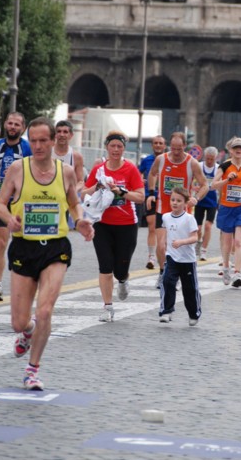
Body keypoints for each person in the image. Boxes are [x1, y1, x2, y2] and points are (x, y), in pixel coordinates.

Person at [0, 117, 94, 390]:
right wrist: (9, 219)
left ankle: (32, 370)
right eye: (33, 141)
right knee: (18, 322)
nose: (37, 146)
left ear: (53, 141)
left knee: (46, 310)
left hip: (55, 247)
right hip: (24, 247)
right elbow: (0, 204)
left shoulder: (66, 173)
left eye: (42, 141)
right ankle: (27, 331)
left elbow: (74, 203)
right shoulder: (17, 169)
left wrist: (80, 219)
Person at [82, 130, 145, 321]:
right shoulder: (99, 170)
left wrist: (122, 192)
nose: (115, 150)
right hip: (102, 224)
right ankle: (107, 307)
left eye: (119, 146)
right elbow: (84, 191)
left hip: (126, 225)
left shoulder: (131, 169)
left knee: (119, 269)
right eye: (112, 146)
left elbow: (140, 197)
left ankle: (124, 280)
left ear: (124, 149)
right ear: (107, 147)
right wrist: (98, 186)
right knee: (105, 266)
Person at [146, 131, 208, 289]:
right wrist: (152, 193)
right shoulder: (161, 159)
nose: (175, 151)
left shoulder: (191, 163)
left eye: (179, 149)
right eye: (173, 148)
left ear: (185, 147)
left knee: (178, 245)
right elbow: (152, 174)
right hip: (163, 209)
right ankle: (162, 273)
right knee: (162, 245)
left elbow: (205, 184)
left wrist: (196, 198)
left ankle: (177, 275)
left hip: (182, 214)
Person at [0, 112, 32, 301]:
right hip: (0, 201)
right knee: (0, 241)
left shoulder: (27, 148)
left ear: (23, 128)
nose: (12, 127)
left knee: (24, 243)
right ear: (5, 125)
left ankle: (26, 283)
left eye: (17, 124)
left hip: (22, 202)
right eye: (10, 123)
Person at [211, 137, 241, 288]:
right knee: (227, 242)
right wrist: (227, 181)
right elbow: (213, 185)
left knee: (238, 241)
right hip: (226, 208)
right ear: (230, 150)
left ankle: (237, 273)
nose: (238, 150)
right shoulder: (224, 166)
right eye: (235, 147)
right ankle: (226, 267)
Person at [159, 187, 201, 326]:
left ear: (185, 203)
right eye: (173, 200)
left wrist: (182, 242)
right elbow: (166, 233)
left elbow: (195, 237)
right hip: (171, 256)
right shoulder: (165, 217)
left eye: (178, 201)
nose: (175, 203)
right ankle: (166, 311)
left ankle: (193, 313)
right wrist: (163, 245)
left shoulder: (189, 219)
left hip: (187, 259)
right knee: (167, 281)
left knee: (189, 288)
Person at [139, 135, 167, 269]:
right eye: (155, 143)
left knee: (163, 229)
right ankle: (151, 257)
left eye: (160, 143)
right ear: (152, 145)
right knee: (152, 227)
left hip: (166, 198)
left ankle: (164, 254)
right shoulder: (146, 160)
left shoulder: (169, 159)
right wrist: (140, 180)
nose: (158, 145)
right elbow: (138, 173)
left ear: (164, 146)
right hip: (151, 196)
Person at [194, 146, 219, 261]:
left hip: (212, 201)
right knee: (198, 227)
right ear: (205, 157)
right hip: (200, 200)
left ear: (215, 158)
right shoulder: (199, 166)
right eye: (208, 158)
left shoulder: (218, 169)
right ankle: (199, 241)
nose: (209, 161)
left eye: (212, 159)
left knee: (208, 226)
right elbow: (192, 179)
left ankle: (204, 250)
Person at [52, 120, 85, 193]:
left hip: (67, 197)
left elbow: (80, 181)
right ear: (55, 135)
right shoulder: (48, 152)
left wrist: (73, 191)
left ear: (71, 135)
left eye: (65, 132)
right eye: (59, 131)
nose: (62, 134)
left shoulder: (76, 156)